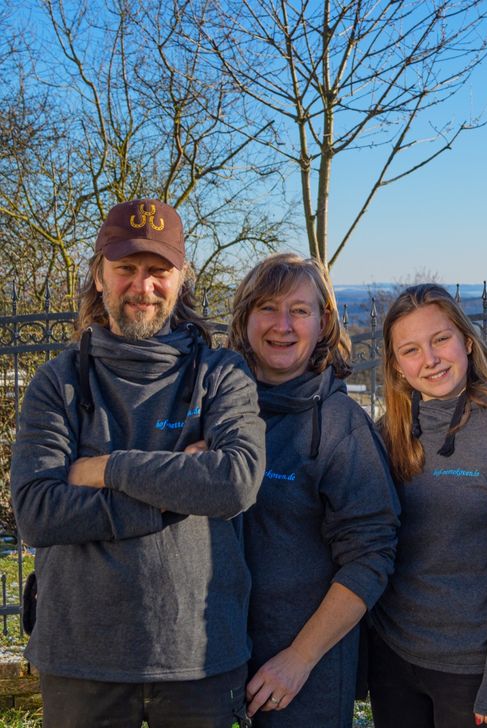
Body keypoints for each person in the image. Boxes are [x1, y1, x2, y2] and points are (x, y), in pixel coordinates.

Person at [10, 199, 266, 728]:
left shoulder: (222, 376)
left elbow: (236, 482)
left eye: (158, 271)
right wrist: (178, 495)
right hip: (80, 659)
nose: (141, 286)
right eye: (126, 269)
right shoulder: (58, 383)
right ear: (99, 275)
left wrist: (106, 469)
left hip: (200, 657)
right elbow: (37, 512)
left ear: (182, 278)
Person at [368, 283, 487, 728]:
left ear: (467, 342)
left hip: (474, 669)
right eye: (410, 350)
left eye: (440, 340)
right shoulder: (385, 434)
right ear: (396, 366)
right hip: (393, 659)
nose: (430, 360)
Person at [227, 252, 400, 727]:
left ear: (323, 323)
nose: (282, 324)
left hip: (303, 677)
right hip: (214, 664)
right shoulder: (217, 408)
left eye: (299, 310)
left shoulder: (343, 429)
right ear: (244, 319)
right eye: (267, 307)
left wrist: (298, 659)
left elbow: (371, 557)